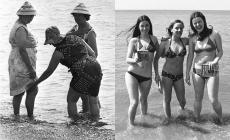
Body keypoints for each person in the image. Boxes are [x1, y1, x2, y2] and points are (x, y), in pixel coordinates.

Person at [28, 26, 102, 121]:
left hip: (81, 71)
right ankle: (95, 123)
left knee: (71, 100)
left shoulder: (58, 52)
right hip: (96, 67)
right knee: (93, 101)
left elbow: (49, 71)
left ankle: (74, 124)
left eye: (50, 42)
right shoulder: (76, 38)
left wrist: (35, 83)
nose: (51, 45)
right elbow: (93, 54)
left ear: (54, 40)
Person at [185, 11, 223, 123]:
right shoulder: (192, 38)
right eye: (195, 23)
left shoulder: (214, 34)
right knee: (198, 98)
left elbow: (220, 51)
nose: (198, 25)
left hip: (212, 70)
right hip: (197, 71)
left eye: (199, 22)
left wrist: (215, 60)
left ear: (204, 21)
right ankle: (197, 121)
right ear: (192, 25)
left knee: (213, 100)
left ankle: (221, 120)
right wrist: (187, 73)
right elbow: (190, 55)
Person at [125, 15, 159, 127]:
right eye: (142, 26)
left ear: (150, 26)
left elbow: (158, 56)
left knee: (143, 100)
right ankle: (131, 127)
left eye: (147, 25)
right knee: (134, 102)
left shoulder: (154, 39)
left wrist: (157, 75)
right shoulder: (134, 40)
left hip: (147, 77)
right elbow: (127, 59)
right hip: (133, 74)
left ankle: (144, 121)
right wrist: (135, 60)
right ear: (139, 27)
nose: (145, 28)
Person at [154, 19, 189, 124]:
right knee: (167, 100)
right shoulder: (165, 43)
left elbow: (196, 38)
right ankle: (169, 120)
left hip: (179, 76)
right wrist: (156, 75)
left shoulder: (185, 41)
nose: (179, 30)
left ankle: (182, 112)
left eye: (181, 28)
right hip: (167, 75)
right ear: (171, 29)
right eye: (177, 28)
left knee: (182, 101)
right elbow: (156, 60)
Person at [66, 3, 98, 113]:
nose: (76, 18)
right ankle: (88, 120)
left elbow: (95, 54)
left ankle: (89, 121)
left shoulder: (90, 32)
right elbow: (65, 38)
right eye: (75, 16)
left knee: (88, 98)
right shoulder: (75, 28)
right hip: (77, 69)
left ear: (85, 16)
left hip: (87, 69)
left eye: (79, 16)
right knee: (86, 97)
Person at [8, 1, 38, 119]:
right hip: (21, 63)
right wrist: (30, 68)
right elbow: (22, 49)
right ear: (22, 15)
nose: (31, 18)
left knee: (20, 91)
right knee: (32, 88)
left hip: (18, 62)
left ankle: (17, 116)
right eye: (29, 16)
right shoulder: (20, 28)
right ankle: (29, 116)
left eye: (32, 16)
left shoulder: (19, 25)